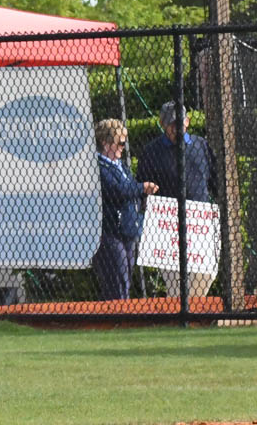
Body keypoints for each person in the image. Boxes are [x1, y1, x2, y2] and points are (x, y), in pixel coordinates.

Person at [136, 101, 220, 298]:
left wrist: (216, 207)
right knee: (174, 280)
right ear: (163, 125)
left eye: (179, 122)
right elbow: (142, 185)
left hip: (199, 224)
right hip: (168, 226)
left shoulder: (201, 146)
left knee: (206, 272)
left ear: (187, 121)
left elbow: (215, 179)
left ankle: (192, 308)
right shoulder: (152, 151)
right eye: (171, 124)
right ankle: (180, 311)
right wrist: (147, 197)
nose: (176, 127)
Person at [92, 120, 159, 300]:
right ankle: (117, 313)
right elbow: (117, 190)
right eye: (120, 143)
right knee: (118, 278)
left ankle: (120, 310)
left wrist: (142, 196)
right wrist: (142, 188)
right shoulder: (98, 167)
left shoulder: (120, 165)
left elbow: (129, 188)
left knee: (126, 277)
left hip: (127, 228)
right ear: (106, 143)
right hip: (109, 231)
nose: (123, 147)